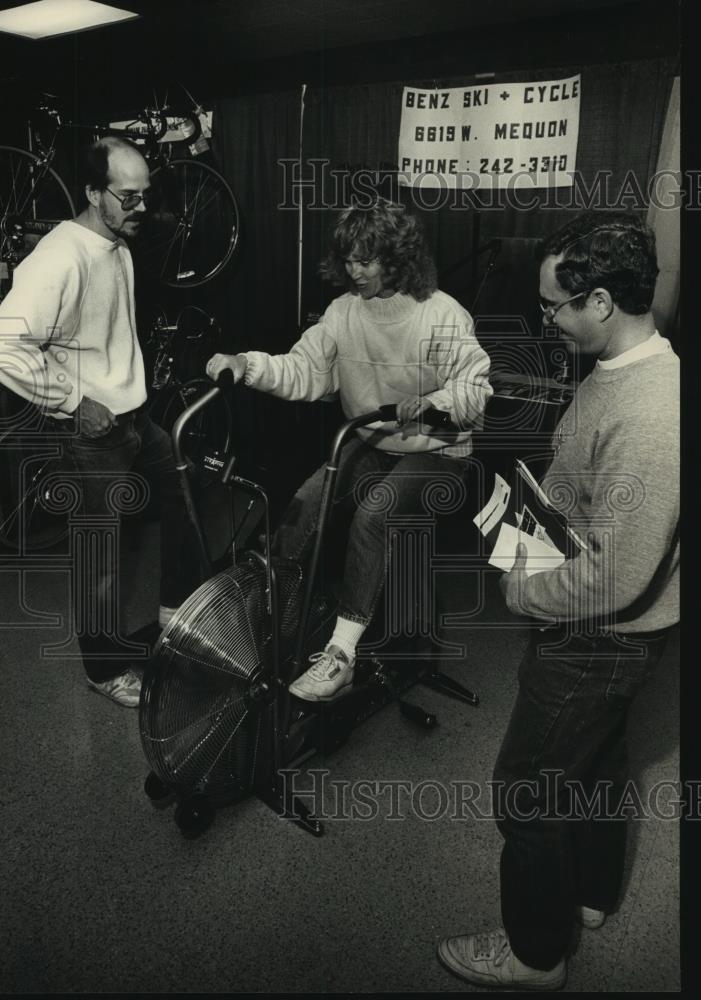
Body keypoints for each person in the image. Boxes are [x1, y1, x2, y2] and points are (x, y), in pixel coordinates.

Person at [437, 211, 679, 990]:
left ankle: (533, 953)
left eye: (554, 305)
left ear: (600, 301)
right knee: (598, 765)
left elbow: (618, 574)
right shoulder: (621, 373)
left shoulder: (652, 412)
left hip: (598, 636)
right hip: (608, 633)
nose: (544, 319)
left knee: (526, 790)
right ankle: (589, 896)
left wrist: (526, 589)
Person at [207, 198, 493, 701]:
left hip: (441, 451)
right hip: (373, 441)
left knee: (374, 515)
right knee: (304, 505)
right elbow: (303, 370)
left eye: (366, 260)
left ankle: (341, 656)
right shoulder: (342, 313)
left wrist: (432, 404)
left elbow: (475, 394)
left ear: (397, 258)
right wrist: (246, 364)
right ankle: (253, 619)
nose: (354, 271)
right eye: (348, 260)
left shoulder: (442, 315)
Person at [0, 136, 200, 707]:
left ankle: (175, 617)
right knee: (100, 554)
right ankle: (104, 668)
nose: (140, 209)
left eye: (145, 196)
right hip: (92, 429)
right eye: (127, 197)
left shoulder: (118, 245)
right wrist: (70, 401)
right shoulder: (61, 255)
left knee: (179, 496)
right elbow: (5, 343)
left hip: (133, 415)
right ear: (92, 192)